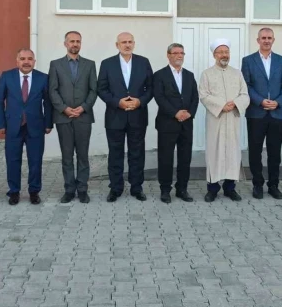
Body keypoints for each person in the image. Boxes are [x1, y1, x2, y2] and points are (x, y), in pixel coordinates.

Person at [97, 32, 154, 202]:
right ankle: (115, 188)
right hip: (115, 116)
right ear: (117, 45)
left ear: (134, 44)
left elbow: (151, 88)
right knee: (115, 154)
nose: (127, 45)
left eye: (130, 42)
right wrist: (117, 102)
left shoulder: (143, 62)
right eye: (123, 42)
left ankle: (137, 188)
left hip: (138, 115)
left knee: (137, 154)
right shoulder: (107, 64)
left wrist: (140, 101)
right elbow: (101, 89)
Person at [0, 48, 53, 205]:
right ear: (17, 61)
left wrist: (48, 123)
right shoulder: (7, 76)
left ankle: (34, 191)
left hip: (36, 126)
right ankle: (14, 192)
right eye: (22, 59)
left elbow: (48, 103)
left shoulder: (43, 78)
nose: (26, 62)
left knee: (35, 161)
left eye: (29, 59)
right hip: (13, 126)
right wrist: (0, 123)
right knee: (13, 161)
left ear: (34, 61)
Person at [48, 31, 97, 204]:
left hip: (84, 117)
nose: (75, 44)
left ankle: (82, 189)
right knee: (67, 156)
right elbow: (52, 90)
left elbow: (93, 90)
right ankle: (69, 189)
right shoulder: (55, 64)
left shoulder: (90, 64)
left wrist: (83, 108)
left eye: (78, 41)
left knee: (83, 155)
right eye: (72, 41)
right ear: (65, 44)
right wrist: (64, 109)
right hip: (64, 117)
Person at [241, 28, 282, 200]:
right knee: (255, 151)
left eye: (269, 38)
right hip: (256, 112)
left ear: (273, 40)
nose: (266, 40)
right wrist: (260, 101)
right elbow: (246, 85)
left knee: (274, 152)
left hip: (277, 113)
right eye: (263, 38)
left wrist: (278, 102)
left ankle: (273, 185)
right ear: (258, 40)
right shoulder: (248, 61)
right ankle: (257, 184)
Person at [199, 39, 250, 202]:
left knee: (232, 153)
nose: (224, 55)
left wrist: (235, 104)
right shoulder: (207, 74)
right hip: (216, 119)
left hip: (233, 118)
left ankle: (230, 188)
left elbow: (245, 94)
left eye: (226, 52)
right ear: (214, 54)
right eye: (220, 52)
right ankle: (212, 188)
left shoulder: (237, 73)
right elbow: (204, 95)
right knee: (214, 152)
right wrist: (221, 105)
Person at [153, 43, 199, 203]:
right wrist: (175, 113)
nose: (179, 56)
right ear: (168, 55)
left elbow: (195, 97)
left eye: (182, 53)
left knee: (185, 158)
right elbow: (159, 97)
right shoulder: (159, 75)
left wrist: (189, 113)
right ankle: (165, 189)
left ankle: (182, 189)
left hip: (186, 123)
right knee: (165, 158)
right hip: (167, 123)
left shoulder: (189, 75)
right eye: (176, 53)